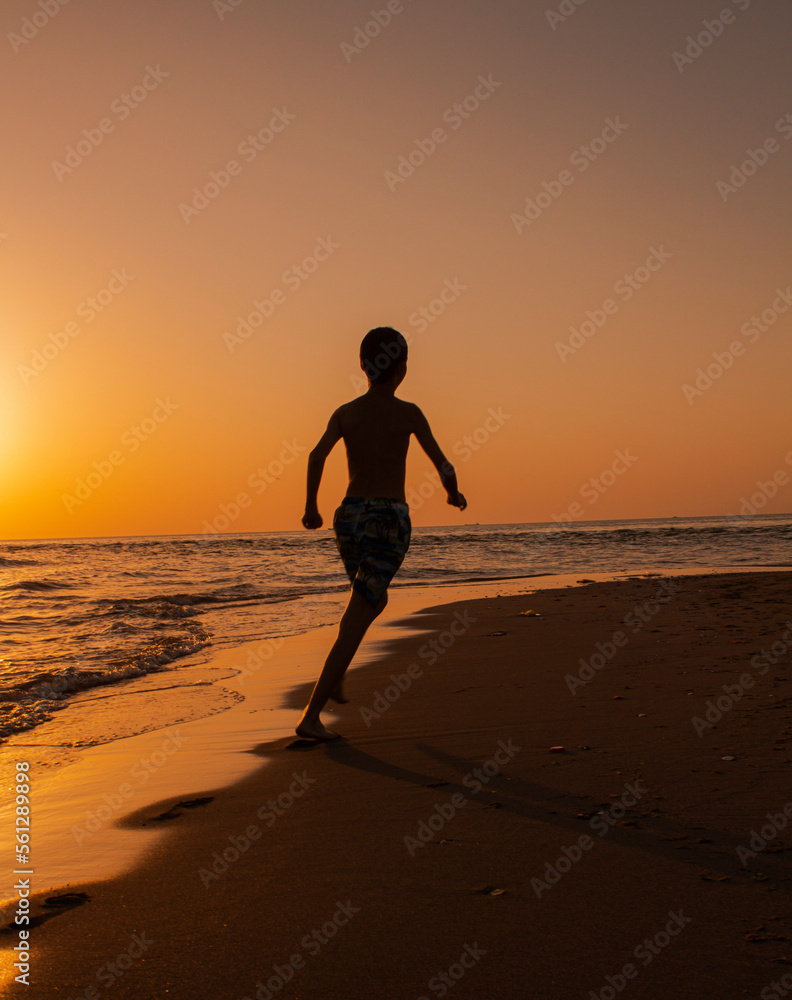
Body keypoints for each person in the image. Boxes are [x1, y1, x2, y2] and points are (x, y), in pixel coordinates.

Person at [296, 327, 467, 740]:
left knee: (370, 598)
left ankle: (337, 679)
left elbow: (316, 456)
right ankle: (311, 717)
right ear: (402, 368)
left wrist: (311, 508)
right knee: (361, 610)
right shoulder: (408, 412)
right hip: (387, 520)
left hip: (349, 518)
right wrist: (453, 492)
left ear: (362, 366)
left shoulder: (346, 412)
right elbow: (442, 463)